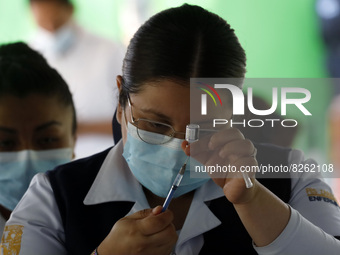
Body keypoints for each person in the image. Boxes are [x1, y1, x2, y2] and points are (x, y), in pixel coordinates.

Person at [2, 4, 340, 255]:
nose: (180, 147)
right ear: (121, 101)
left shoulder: (291, 175)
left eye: (204, 128)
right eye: (155, 124)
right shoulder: (52, 196)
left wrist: (252, 200)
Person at [28, 0, 125, 158]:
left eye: (56, 22)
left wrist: (79, 128)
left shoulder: (108, 51)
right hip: (55, 162)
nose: (51, 30)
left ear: (70, 10)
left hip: (105, 156)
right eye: (43, 23)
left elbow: (131, 119)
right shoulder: (30, 58)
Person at [0, 42, 76, 238]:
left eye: (47, 139)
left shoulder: (109, 223)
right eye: (6, 143)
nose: (27, 158)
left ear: (72, 142)